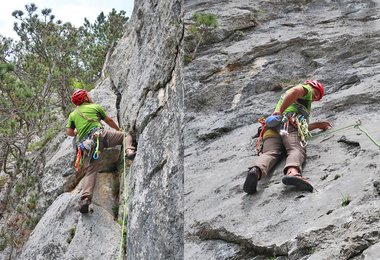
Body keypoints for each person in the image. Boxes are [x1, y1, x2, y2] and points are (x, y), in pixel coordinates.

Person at [243, 80, 331, 194]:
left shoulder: (289, 101)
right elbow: (295, 91)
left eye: (317, 98)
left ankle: (256, 171)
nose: (315, 97)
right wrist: (280, 112)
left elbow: (301, 127)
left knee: (271, 152)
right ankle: (293, 173)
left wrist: (318, 125)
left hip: (272, 128)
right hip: (287, 124)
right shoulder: (306, 89)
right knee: (296, 148)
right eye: (317, 93)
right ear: (312, 86)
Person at [66, 89, 136, 213]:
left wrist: (77, 131)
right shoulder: (95, 107)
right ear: (86, 98)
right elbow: (108, 120)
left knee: (91, 170)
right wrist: (118, 129)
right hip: (101, 137)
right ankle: (129, 151)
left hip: (87, 146)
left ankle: (85, 199)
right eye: (88, 95)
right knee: (126, 136)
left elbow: (69, 133)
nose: (90, 96)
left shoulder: (73, 115)